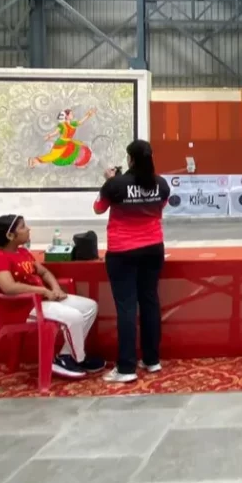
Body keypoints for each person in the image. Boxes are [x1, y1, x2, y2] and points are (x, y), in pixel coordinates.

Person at [0, 214, 104, 379]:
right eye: (23, 227)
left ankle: (68, 356)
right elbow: (9, 287)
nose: (28, 229)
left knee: (90, 307)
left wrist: (55, 288)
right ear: (10, 235)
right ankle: (77, 358)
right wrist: (43, 291)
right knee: (74, 316)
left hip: (41, 300)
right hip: (22, 309)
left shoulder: (23, 252)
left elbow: (44, 272)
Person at [94, 139, 170, 384]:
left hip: (123, 252)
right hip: (153, 249)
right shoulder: (161, 184)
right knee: (149, 302)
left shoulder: (115, 185)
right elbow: (160, 208)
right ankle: (151, 360)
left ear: (130, 159)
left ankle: (126, 367)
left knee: (126, 307)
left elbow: (98, 208)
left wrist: (109, 181)